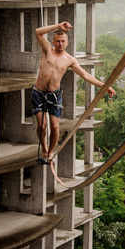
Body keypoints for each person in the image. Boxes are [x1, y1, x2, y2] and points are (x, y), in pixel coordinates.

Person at [33, 22, 116, 163]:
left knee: (54, 126)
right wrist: (58, 26)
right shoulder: (47, 49)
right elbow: (38, 32)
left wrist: (105, 86)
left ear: (67, 43)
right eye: (57, 41)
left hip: (54, 95)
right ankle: (44, 148)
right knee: (42, 126)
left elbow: (86, 76)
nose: (60, 44)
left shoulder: (70, 60)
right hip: (38, 93)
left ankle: (51, 152)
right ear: (53, 41)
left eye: (62, 41)